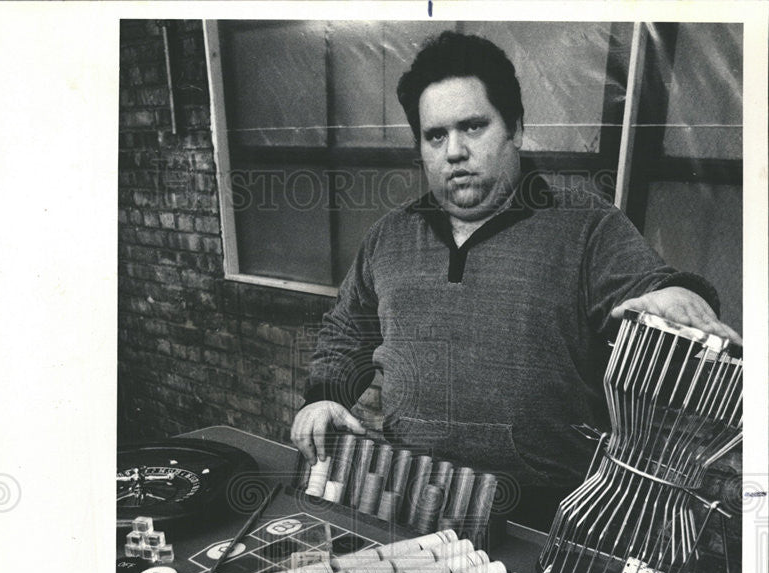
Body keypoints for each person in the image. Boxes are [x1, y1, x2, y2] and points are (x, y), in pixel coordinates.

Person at [290, 31, 740, 527]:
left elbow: (652, 287)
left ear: (517, 130)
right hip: (415, 497)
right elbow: (348, 328)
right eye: (435, 135)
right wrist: (326, 394)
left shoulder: (585, 225)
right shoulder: (390, 236)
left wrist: (678, 295)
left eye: (473, 127)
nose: (454, 151)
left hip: (545, 515)